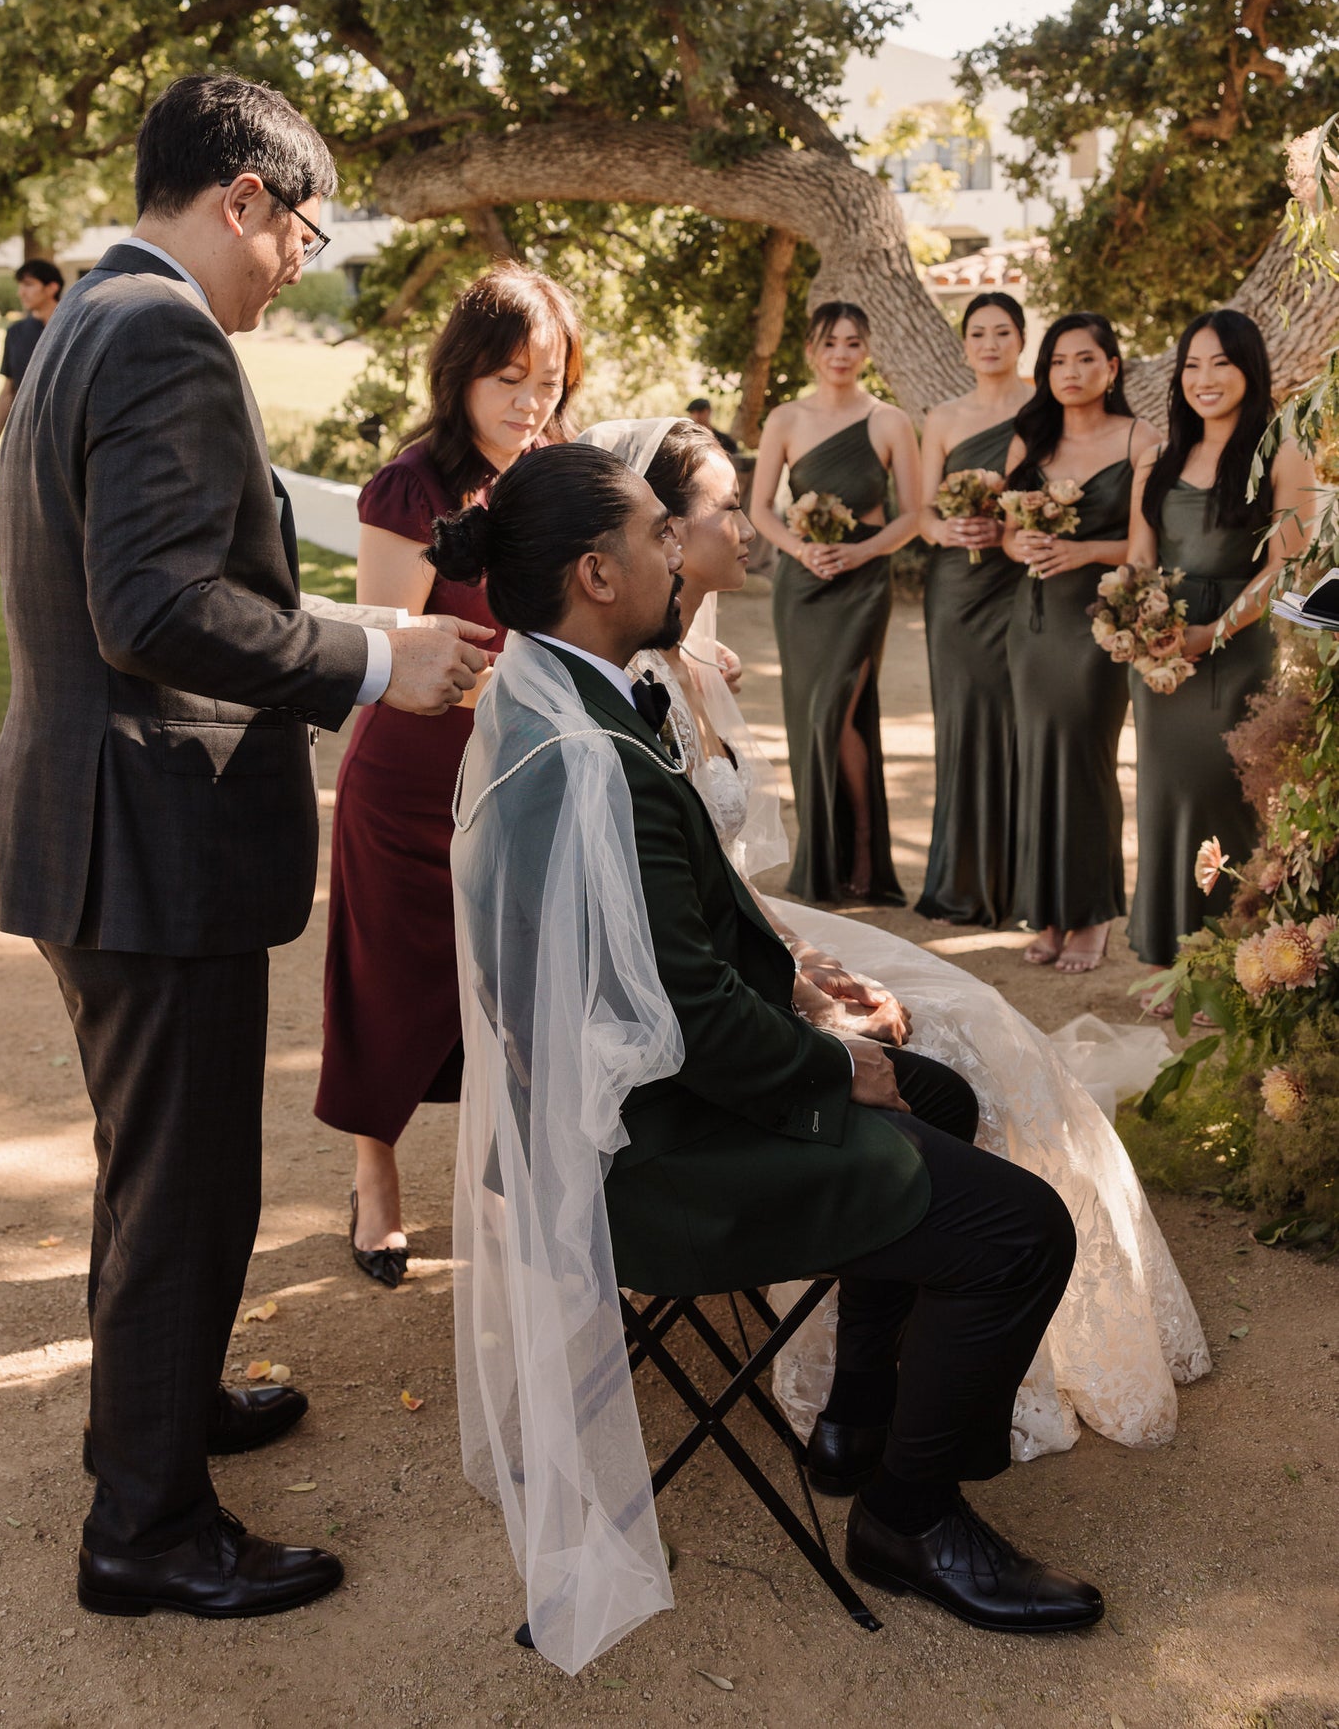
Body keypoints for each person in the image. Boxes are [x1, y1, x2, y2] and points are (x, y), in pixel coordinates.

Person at [433, 442, 1103, 1672]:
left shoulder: (550, 693)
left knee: (942, 1092)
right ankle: (908, 1522)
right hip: (644, 1159)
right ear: (595, 572)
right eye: (655, 533)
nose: (678, 547)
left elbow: (658, 955)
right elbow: (678, 1012)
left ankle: (855, 1421)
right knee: (1023, 1233)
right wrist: (832, 1066)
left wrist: (797, 988)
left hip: (612, 1109)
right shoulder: (583, 755)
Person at [0, 73, 491, 1621]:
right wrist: (366, 658)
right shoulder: (158, 333)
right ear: (243, 199)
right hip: (151, 835)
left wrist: (363, 619)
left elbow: (174, 566)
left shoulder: (87, 316)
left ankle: (155, 1410)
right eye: (302, 231)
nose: (299, 266)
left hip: (102, 828)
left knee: (158, 1168)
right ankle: (146, 1527)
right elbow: (148, 609)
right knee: (186, 1180)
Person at [590, 415, 1209, 1477]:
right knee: (964, 1069)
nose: (747, 526)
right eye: (720, 510)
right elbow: (682, 951)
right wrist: (821, 1016)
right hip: (707, 1034)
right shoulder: (607, 719)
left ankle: (865, 1395)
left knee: (978, 1031)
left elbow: (720, 887)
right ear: (644, 544)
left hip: (755, 940)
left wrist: (814, 965)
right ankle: (893, 1421)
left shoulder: (676, 672)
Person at [316, 264, 582, 1287]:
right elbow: (394, 650)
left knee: (523, 984)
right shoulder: (409, 484)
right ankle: (373, 1175)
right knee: (388, 981)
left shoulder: (558, 473)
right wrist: (530, 679)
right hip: (412, 781)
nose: (529, 403)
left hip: (527, 778)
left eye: (549, 381)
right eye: (509, 378)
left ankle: (516, 1179)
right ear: (462, 372)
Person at [1127, 309, 1315, 973]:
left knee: (1224, 799)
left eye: (1220, 364)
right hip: (1162, 651)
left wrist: (1214, 629)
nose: (1203, 379)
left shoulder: (1284, 449)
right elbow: (1138, 554)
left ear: (1248, 370)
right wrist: (1138, 624)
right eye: (1191, 366)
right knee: (1163, 793)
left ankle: (1230, 962)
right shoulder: (1156, 456)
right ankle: (1162, 945)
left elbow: (1284, 567)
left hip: (1236, 646)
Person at [1003, 314, 1162, 973]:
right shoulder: (1030, 437)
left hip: (1097, 620)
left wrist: (1078, 553)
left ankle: (1092, 915)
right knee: (1038, 760)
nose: (1070, 372)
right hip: (1032, 621)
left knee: (1086, 760)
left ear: (1112, 367)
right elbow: (1005, 532)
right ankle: (1046, 912)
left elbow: (1146, 544)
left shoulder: (1140, 439)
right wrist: (1026, 545)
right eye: (1058, 361)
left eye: (1084, 359)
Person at [750, 301, 920, 905]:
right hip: (803, 586)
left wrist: (861, 552)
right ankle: (828, 860)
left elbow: (916, 515)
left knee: (838, 715)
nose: (841, 354)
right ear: (811, 351)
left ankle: (867, 855)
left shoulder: (890, 422)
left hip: (863, 582)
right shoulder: (785, 420)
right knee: (809, 720)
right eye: (830, 343)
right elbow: (760, 510)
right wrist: (801, 551)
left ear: (866, 350)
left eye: (852, 343)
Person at [916, 291, 1032, 926]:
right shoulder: (944, 417)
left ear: (1021, 340)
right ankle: (959, 882)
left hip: (1017, 585)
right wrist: (949, 532)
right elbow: (922, 513)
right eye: (979, 333)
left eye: (1002, 332)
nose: (990, 344)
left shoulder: (1044, 410)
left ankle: (1019, 885)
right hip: (957, 590)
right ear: (965, 345)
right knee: (961, 724)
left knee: (1018, 723)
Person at [0, 258, 64, 491]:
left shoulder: (75, 326)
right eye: (20, 285)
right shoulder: (16, 333)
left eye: (28, 284)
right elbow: (9, 391)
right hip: (25, 446)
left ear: (52, 288)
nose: (21, 292)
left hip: (68, 446)